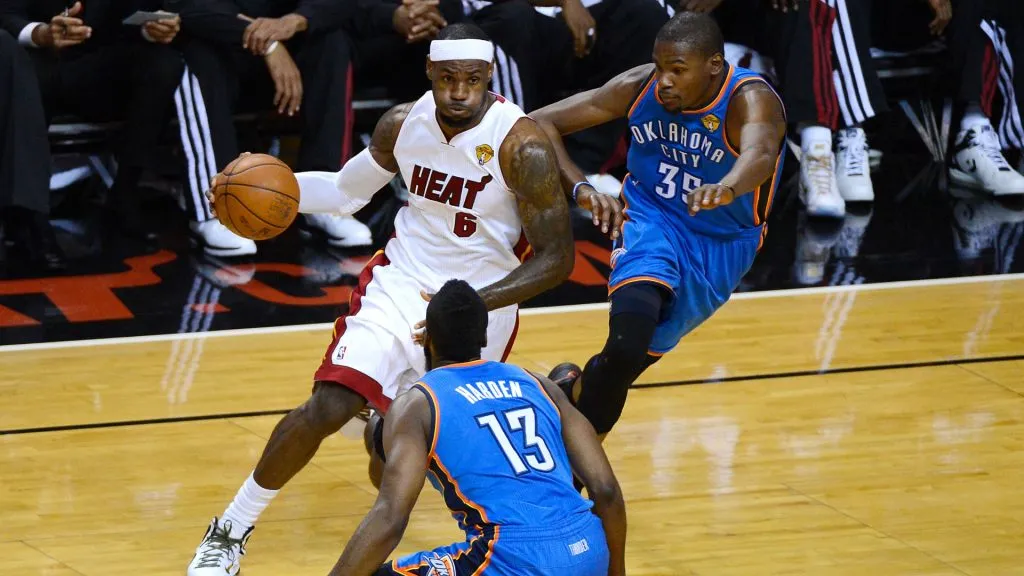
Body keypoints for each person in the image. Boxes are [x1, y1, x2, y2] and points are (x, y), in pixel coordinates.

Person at [187, 23, 579, 575]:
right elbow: (344, 193)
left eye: (472, 80)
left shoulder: (523, 146)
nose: (459, 92)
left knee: (407, 451)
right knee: (329, 404)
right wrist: (261, 185)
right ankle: (230, 529)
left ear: (489, 76)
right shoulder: (403, 124)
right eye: (448, 78)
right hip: (402, 280)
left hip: (478, 304)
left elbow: (556, 259)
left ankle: (383, 429)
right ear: (430, 72)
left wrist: (471, 306)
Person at [531, 12, 786, 442]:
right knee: (627, 342)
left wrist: (728, 186)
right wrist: (580, 187)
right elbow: (538, 123)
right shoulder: (639, 86)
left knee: (622, 366)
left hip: (722, 245)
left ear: (714, 66)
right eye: (659, 65)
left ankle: (566, 393)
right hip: (651, 219)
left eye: (678, 70)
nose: (663, 80)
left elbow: (760, 154)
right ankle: (577, 472)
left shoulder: (750, 99)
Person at [326, 279, 626, 576]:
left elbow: (390, 519)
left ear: (427, 339)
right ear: (483, 337)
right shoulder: (539, 384)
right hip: (587, 549)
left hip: (510, 557)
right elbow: (606, 490)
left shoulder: (418, 403)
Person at [175, 0, 372, 256]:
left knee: (331, 42)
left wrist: (295, 21)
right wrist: (269, 44)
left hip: (289, 51)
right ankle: (214, 209)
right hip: (223, 48)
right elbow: (189, 7)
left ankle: (324, 201)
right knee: (198, 54)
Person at [0, 0, 184, 250]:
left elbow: (136, 13)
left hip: (98, 66)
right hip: (35, 59)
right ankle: (28, 213)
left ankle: (125, 192)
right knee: (29, 69)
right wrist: (41, 34)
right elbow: (7, 13)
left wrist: (152, 28)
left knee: (163, 64)